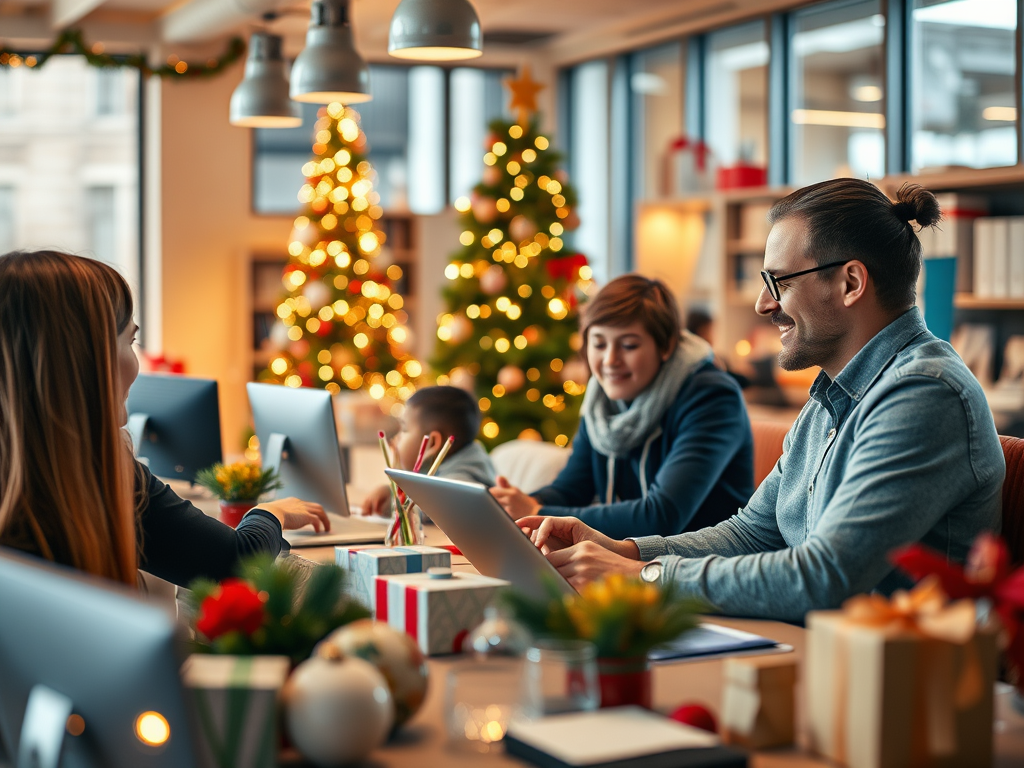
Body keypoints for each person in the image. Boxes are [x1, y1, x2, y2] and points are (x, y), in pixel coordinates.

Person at [516, 180, 1004, 622]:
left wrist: (642, 577)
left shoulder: (924, 394)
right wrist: (624, 551)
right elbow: (751, 533)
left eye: (779, 282)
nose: (763, 304)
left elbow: (826, 576)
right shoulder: (832, 398)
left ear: (850, 283)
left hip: (891, 678)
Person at [0, 249, 328, 588]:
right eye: (130, 340)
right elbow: (236, 563)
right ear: (87, 358)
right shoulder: (98, 471)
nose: (137, 364)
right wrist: (271, 512)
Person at [490, 275, 754, 538]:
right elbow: (571, 489)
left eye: (628, 345)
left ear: (666, 346)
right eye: (599, 344)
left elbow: (661, 516)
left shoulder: (712, 396)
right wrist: (521, 504)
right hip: (625, 557)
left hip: (699, 560)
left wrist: (539, 511)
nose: (610, 360)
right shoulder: (601, 400)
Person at [360, 385, 496, 515]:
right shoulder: (439, 466)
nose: (396, 437)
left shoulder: (460, 478)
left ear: (432, 443)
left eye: (405, 429)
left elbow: (438, 506)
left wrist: (394, 499)